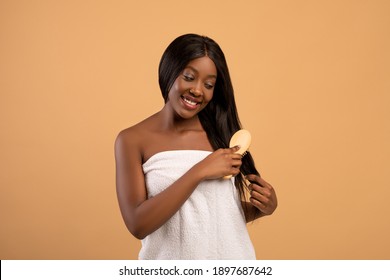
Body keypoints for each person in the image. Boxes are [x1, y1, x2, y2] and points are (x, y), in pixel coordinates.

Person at [115, 33, 277, 259]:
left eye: (209, 84)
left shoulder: (222, 135)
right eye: (189, 77)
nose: (198, 90)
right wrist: (200, 171)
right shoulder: (132, 140)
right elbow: (137, 224)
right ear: (169, 71)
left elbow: (215, 212)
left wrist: (261, 208)